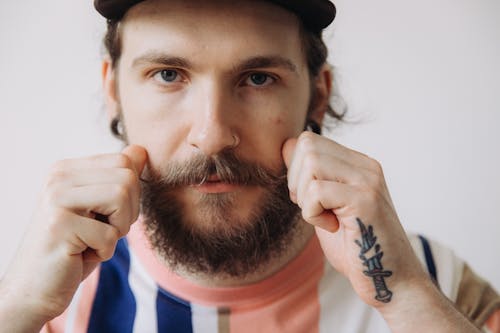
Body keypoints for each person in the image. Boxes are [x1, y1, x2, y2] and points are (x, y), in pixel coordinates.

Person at [0, 0, 499, 332]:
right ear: (113, 91)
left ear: (318, 94)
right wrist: (18, 309)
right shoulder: (49, 303)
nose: (213, 133)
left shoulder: (437, 286)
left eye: (258, 78)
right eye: (168, 74)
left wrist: (407, 298)